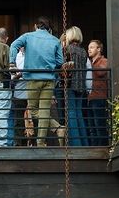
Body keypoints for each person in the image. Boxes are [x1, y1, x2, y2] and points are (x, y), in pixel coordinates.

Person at [15, 16, 64, 147]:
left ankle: (56, 129)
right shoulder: (55, 40)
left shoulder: (28, 36)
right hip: (49, 80)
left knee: (32, 109)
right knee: (44, 111)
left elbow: (14, 46)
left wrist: (11, 62)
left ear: (36, 26)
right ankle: (44, 140)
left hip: (33, 78)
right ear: (48, 28)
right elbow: (60, 61)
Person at [61, 26, 89, 146]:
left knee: (71, 113)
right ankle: (84, 143)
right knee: (78, 113)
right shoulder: (83, 51)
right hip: (81, 86)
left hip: (71, 85)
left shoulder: (67, 49)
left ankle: (75, 144)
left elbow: (62, 67)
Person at [86, 39, 109, 146]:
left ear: (99, 49)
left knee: (99, 126)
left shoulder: (103, 61)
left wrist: (90, 67)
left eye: (92, 47)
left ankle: (102, 149)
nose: (89, 49)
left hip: (99, 97)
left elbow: (101, 71)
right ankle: (93, 149)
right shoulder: (89, 62)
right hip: (89, 98)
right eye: (89, 47)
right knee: (91, 128)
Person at [9, 34, 29, 146]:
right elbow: (12, 76)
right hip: (18, 92)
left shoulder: (32, 56)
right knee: (18, 121)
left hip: (31, 92)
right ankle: (18, 144)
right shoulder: (15, 57)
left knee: (34, 119)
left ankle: (34, 144)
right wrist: (19, 75)